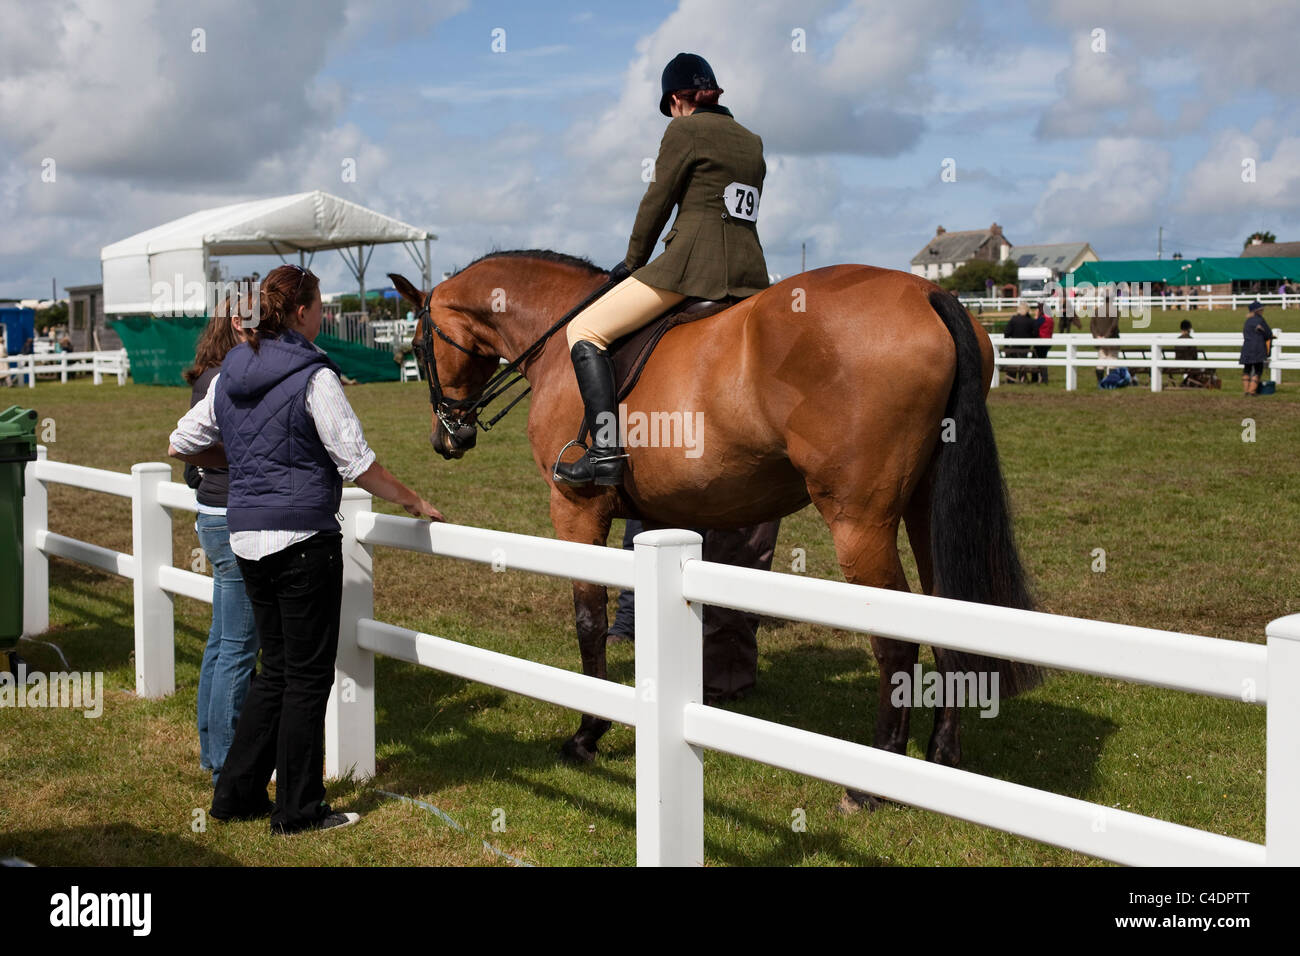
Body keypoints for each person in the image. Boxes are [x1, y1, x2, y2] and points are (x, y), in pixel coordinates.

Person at [169, 264, 444, 835]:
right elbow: (357, 463)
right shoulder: (315, 375)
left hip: (246, 538)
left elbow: (182, 441)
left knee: (275, 673)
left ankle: (234, 796)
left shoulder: (229, 372)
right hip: (301, 540)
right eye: (319, 307)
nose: (322, 316)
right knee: (307, 678)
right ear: (301, 313)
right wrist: (414, 499)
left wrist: (243, 463)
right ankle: (297, 811)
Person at [554, 52, 769, 486]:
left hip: (691, 267)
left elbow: (657, 201)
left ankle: (605, 451)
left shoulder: (684, 129)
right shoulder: (751, 139)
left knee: (584, 330)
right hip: (750, 274)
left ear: (676, 100)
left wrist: (632, 263)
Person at [183, 293, 259, 786]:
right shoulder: (228, 378)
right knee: (238, 645)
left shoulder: (208, 375)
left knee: (222, 640)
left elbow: (194, 463)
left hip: (212, 514)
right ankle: (227, 767)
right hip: (232, 515)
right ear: (235, 323)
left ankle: (213, 750)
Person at [1240, 299, 1273, 395]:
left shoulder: (1247, 321)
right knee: (1258, 369)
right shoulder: (1260, 320)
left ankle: (1246, 390)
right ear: (1258, 311)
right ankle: (1252, 391)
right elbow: (1268, 333)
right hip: (1258, 347)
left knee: (1247, 369)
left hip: (1247, 347)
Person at [1002, 304, 1037, 384]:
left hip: (1014, 347)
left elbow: (1006, 333)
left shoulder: (1013, 319)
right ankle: (1022, 377)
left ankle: (1011, 379)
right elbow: (1035, 333)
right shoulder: (1030, 321)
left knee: (1013, 363)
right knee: (1023, 362)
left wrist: (1006, 345)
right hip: (1025, 348)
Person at [1033, 302, 1054, 384]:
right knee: (1043, 360)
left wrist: (1035, 318)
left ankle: (1037, 378)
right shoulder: (1050, 319)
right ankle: (1044, 378)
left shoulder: (1042, 319)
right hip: (1048, 342)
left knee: (1036, 360)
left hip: (1040, 342)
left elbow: (1035, 326)